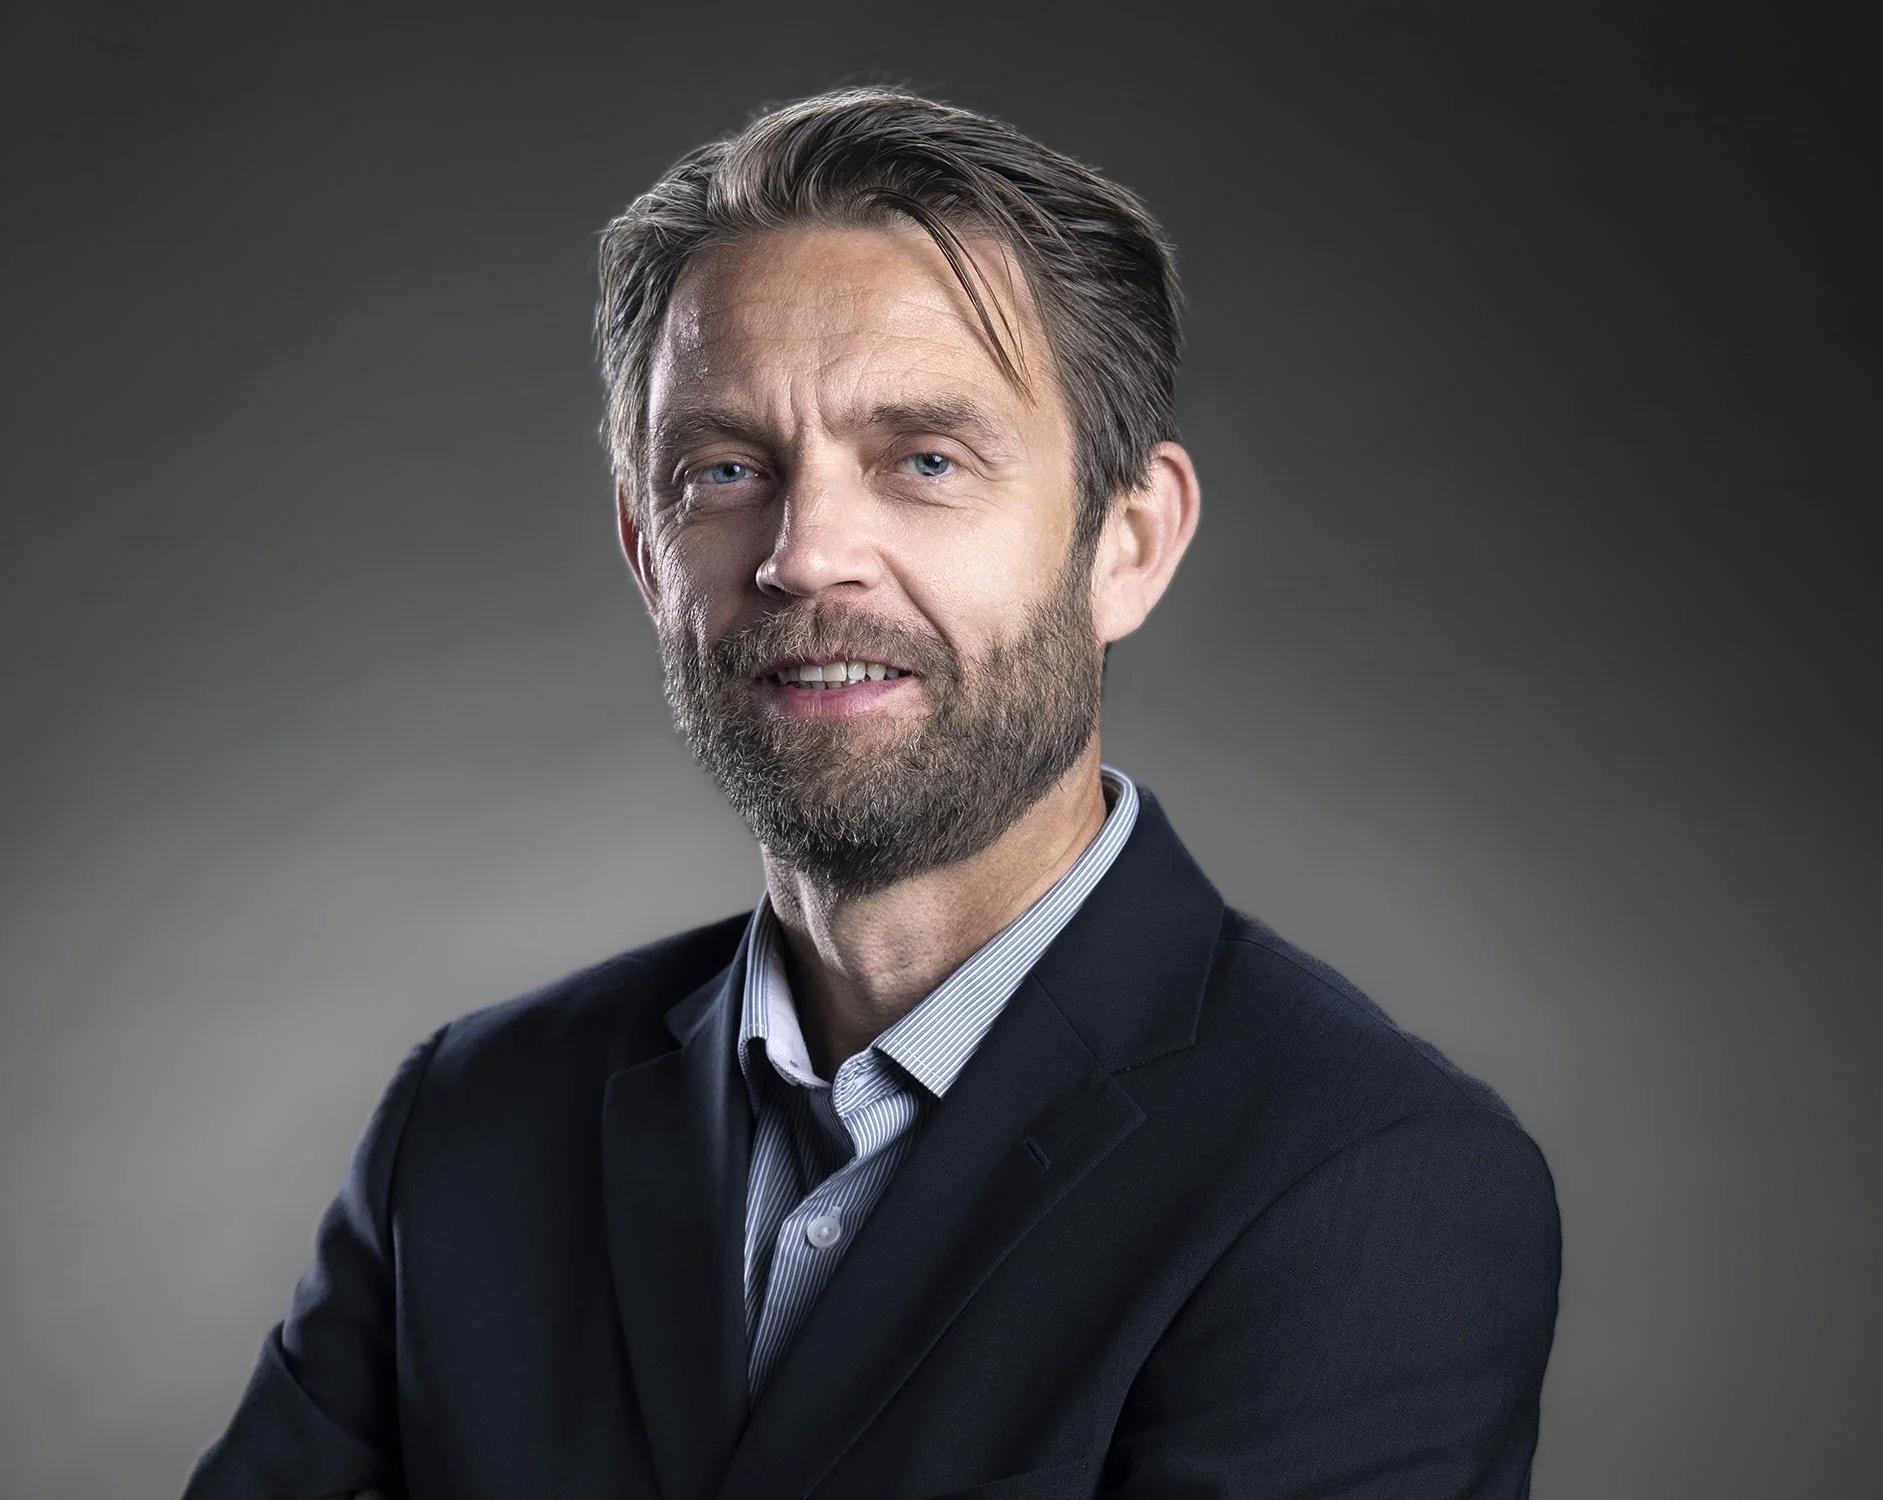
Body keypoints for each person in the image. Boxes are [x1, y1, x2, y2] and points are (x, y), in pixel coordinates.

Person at [183, 86, 1560, 1500]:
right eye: (724, 469)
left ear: (1127, 545)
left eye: (923, 461)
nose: (803, 554)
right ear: (645, 551)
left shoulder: (1369, 1182)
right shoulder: (476, 1118)